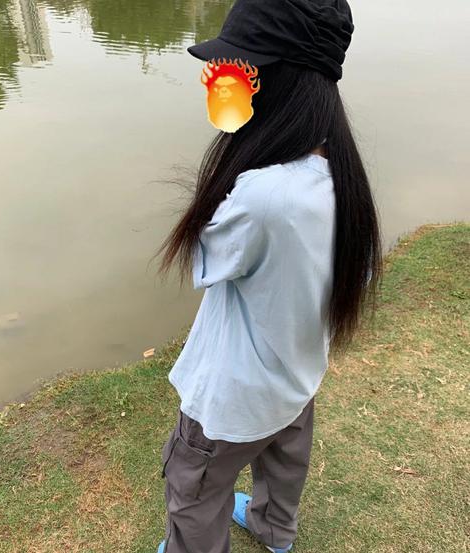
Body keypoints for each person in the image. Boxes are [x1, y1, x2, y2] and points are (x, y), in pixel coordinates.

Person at [153, 0, 383, 551]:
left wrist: (228, 179)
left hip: (232, 397)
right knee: (284, 459)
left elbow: (209, 259)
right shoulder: (344, 178)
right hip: (296, 378)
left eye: (236, 72)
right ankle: (274, 529)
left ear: (273, 82)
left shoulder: (261, 195)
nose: (223, 85)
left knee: (192, 484)